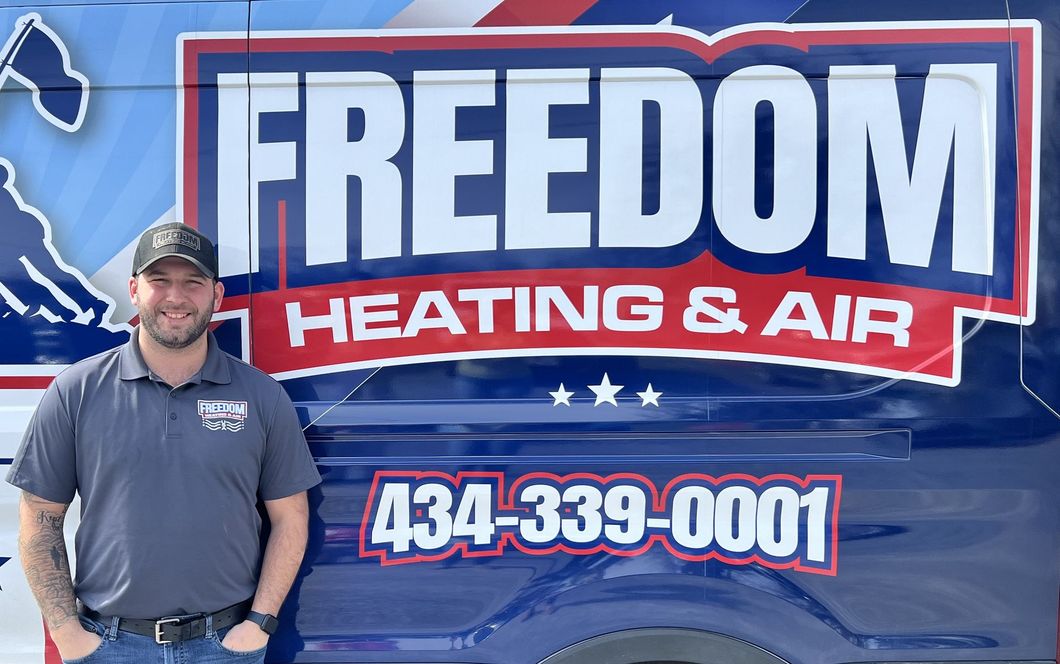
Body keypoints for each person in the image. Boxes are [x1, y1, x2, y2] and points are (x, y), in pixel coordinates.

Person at [5, 221, 322, 663]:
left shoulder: (262, 396)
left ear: (217, 295)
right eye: (160, 281)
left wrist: (260, 624)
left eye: (193, 282)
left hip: (225, 646)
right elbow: (39, 517)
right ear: (134, 290)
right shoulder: (76, 391)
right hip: (108, 646)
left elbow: (290, 518)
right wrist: (66, 634)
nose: (176, 297)